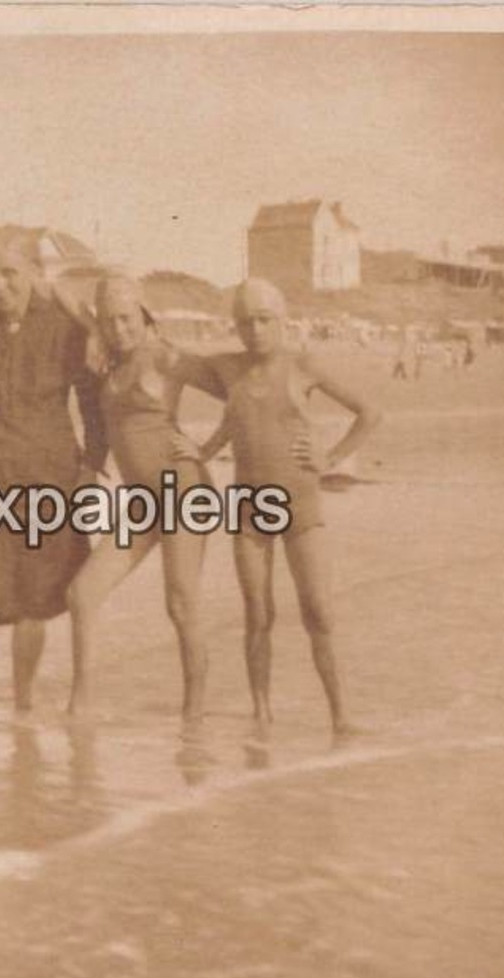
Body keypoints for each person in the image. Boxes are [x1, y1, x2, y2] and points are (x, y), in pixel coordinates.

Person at [203, 279, 381, 741]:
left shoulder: (302, 364)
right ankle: (261, 713)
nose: (255, 329)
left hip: (300, 503)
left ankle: (340, 715)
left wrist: (331, 457)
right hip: (248, 507)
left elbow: (369, 413)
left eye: (264, 319)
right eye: (245, 321)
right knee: (257, 612)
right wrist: (201, 450)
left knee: (318, 610)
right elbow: (179, 371)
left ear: (281, 320)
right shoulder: (227, 369)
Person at [0, 228, 106, 713]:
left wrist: (91, 472)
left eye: (9, 273)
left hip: (50, 478)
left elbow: (94, 408)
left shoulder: (65, 328)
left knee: (35, 601)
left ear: (34, 272)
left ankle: (23, 707)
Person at [67, 274, 232, 723]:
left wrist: (210, 448)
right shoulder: (105, 367)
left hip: (183, 490)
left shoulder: (166, 357)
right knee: (82, 594)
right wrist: (88, 470)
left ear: (142, 312)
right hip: (140, 500)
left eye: (126, 318)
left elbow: (237, 388)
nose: (119, 329)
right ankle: (81, 702)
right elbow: (102, 431)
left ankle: (193, 711)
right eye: (109, 321)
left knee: (180, 603)